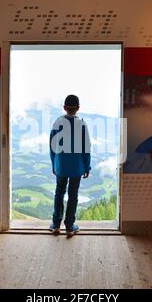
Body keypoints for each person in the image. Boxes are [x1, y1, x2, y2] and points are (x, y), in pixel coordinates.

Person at [49, 95, 91, 237]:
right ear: (78, 108)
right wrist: (87, 166)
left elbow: (52, 146)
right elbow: (87, 148)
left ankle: (55, 225)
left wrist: (53, 164)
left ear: (64, 108)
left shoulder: (57, 123)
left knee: (59, 192)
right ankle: (69, 227)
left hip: (60, 165)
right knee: (73, 194)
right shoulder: (82, 124)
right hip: (77, 167)